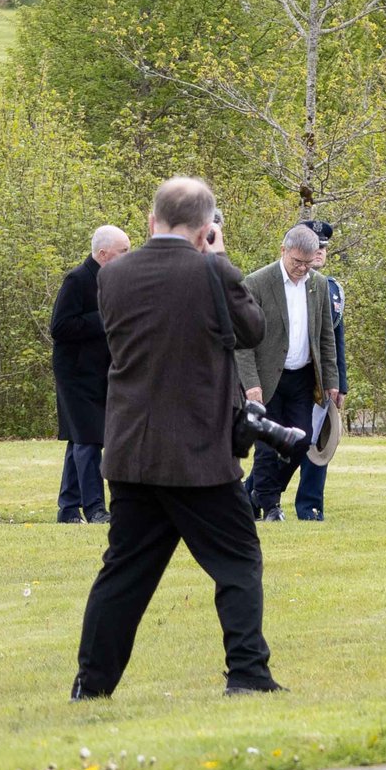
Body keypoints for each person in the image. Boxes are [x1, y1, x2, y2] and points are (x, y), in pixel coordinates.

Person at [72, 177, 281, 699]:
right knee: (237, 561)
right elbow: (253, 330)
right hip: (198, 455)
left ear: (151, 220)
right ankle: (249, 674)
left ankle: (91, 686)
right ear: (207, 227)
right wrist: (222, 260)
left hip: (132, 450)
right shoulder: (212, 269)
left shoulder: (112, 275)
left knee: (124, 574)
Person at [237, 223, 343, 521]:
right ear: (283, 251)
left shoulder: (318, 284)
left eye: (308, 264)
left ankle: (258, 492)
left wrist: (332, 382)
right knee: (269, 445)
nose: (302, 269)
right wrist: (251, 385)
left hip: (302, 377)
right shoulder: (256, 283)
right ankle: (271, 506)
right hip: (267, 377)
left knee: (302, 440)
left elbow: (325, 338)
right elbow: (242, 342)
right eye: (297, 262)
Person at [50, 225, 130, 525]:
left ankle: (68, 508)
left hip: (103, 373)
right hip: (75, 374)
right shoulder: (77, 280)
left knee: (79, 440)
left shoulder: (116, 281)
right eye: (123, 251)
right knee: (89, 439)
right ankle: (95, 507)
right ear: (103, 253)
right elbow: (59, 327)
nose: (128, 256)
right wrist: (104, 317)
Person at [291, 218, 347, 522]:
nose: (320, 252)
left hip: (320, 378)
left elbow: (336, 341)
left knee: (319, 443)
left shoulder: (331, 288)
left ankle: (310, 505)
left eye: (323, 247)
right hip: (289, 374)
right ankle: (261, 496)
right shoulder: (277, 282)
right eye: (314, 246)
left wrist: (341, 383)